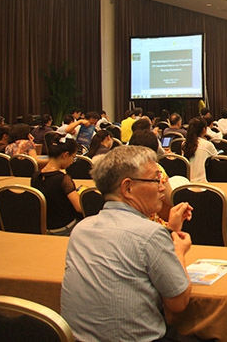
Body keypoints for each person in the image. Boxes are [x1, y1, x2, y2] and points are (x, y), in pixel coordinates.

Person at [61, 146, 194, 342]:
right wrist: (179, 252)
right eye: (156, 180)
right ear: (128, 188)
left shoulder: (81, 229)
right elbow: (178, 303)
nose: (162, 187)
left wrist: (170, 231)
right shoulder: (150, 234)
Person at [31, 135, 83, 235]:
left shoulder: (35, 176)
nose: (72, 162)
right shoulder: (63, 179)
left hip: (44, 227)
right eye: (73, 157)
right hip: (63, 228)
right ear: (65, 155)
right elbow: (79, 208)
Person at [182, 117, 216, 183]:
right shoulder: (207, 145)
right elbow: (217, 161)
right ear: (204, 129)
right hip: (204, 183)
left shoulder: (184, 144)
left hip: (187, 182)